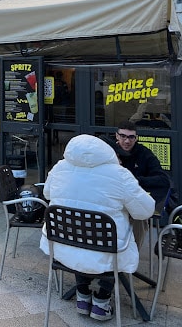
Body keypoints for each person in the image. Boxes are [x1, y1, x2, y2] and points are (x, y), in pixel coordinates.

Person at [40, 134, 154, 321]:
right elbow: (145, 211)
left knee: (79, 230)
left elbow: (47, 193)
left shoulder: (59, 168)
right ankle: (101, 300)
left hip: (62, 246)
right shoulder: (120, 174)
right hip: (105, 251)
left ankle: (83, 295)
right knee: (109, 237)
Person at [115, 120, 170, 248]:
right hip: (112, 198)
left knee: (139, 216)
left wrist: (134, 180)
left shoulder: (144, 153)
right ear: (117, 136)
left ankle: (133, 257)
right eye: (123, 136)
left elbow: (163, 179)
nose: (127, 141)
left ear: (136, 138)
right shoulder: (108, 151)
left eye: (131, 137)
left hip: (133, 198)